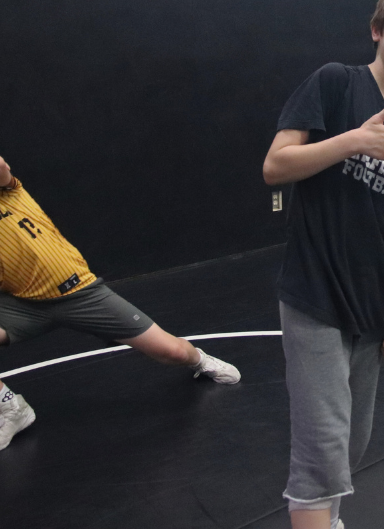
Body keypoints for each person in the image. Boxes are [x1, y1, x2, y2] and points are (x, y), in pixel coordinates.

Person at [262, 0, 384, 529]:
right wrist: (353, 141)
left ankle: (330, 517)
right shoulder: (334, 83)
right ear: (378, 29)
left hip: (374, 304)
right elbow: (275, 166)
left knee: (352, 443)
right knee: (322, 451)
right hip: (315, 294)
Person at [0, 155, 240, 451]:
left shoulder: (9, 192)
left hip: (82, 295)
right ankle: (11, 408)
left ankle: (200, 360)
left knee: (172, 352)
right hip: (24, 307)